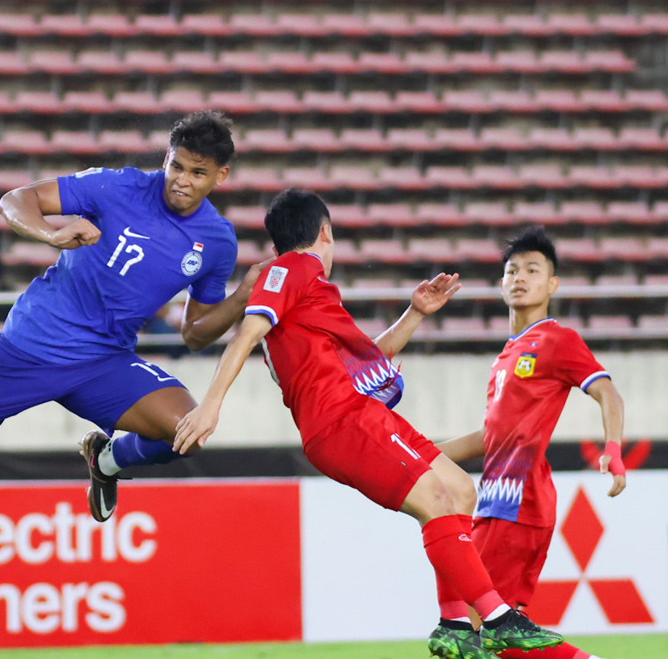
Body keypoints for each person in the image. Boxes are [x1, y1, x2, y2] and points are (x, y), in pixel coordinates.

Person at [173, 189, 564, 659]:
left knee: (460, 489)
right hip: (341, 421)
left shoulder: (305, 293)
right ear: (325, 233)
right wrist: (212, 404)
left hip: (358, 412)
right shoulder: (294, 269)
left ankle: (457, 624)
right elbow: (247, 334)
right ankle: (498, 618)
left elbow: (365, 362)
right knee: (436, 500)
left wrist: (415, 313)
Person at [0, 111, 266, 522]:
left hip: (104, 364)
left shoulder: (217, 242)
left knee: (186, 433)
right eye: (177, 167)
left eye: (198, 173)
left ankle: (106, 459)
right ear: (167, 159)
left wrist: (241, 297)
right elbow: (17, 199)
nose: (182, 181)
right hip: (31, 350)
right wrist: (51, 233)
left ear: (220, 176)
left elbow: (194, 334)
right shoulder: (116, 187)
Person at [435, 226, 624, 659]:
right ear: (502, 283)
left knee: (477, 626)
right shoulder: (507, 355)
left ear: (551, 284)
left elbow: (608, 392)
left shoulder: (558, 340)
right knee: (490, 632)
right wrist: (419, 453)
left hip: (519, 504)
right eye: (512, 270)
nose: (520, 277)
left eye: (532, 270)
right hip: (498, 502)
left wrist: (612, 449)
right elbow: (491, 437)